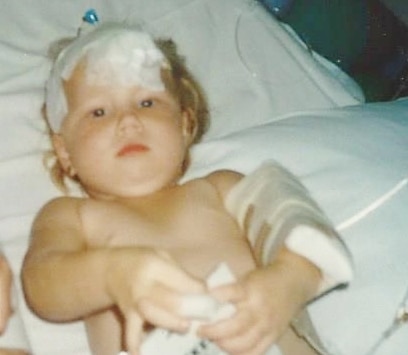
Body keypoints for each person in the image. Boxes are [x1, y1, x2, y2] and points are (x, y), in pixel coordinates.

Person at [21, 23, 352, 355]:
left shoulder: (221, 189)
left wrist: (290, 280)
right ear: (65, 152)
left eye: (147, 103)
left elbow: (301, 222)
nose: (128, 121)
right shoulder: (73, 216)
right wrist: (113, 273)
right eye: (99, 112)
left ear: (184, 124)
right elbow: (42, 284)